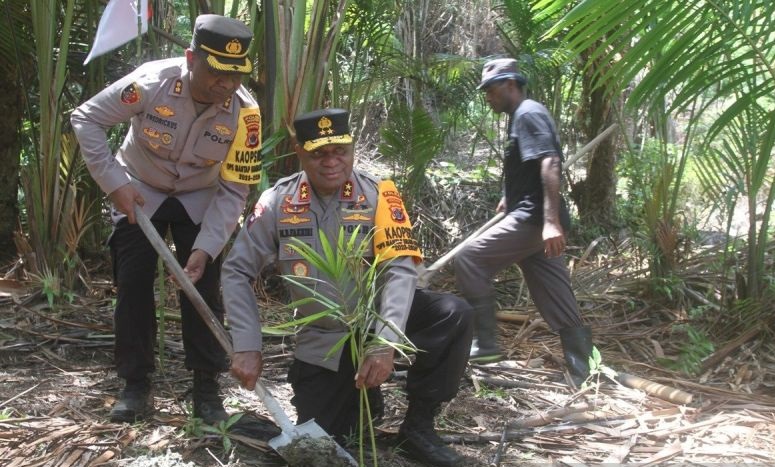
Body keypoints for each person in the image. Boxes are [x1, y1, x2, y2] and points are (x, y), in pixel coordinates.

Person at [223, 108, 473, 467]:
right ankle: (364, 403)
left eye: (340, 150)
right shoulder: (278, 202)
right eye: (318, 153)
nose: (331, 162)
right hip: (326, 339)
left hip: (375, 321)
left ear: (352, 148)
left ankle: (418, 427)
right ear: (299, 151)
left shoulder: (378, 196)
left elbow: (399, 272)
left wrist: (383, 343)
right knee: (328, 439)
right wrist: (246, 345)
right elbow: (236, 271)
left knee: (452, 314)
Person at [71, 14, 263, 424]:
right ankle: (135, 382)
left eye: (235, 75)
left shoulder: (246, 112)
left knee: (204, 286)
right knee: (134, 283)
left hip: (202, 196)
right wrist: (114, 184)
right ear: (191, 57)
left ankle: (206, 387)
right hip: (140, 189)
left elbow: (234, 190)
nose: (226, 85)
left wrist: (207, 247)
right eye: (216, 73)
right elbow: (86, 118)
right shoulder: (150, 82)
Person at [454, 58, 593, 383]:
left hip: (534, 219)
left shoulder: (528, 113)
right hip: (531, 215)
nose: (487, 96)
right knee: (555, 293)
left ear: (510, 85)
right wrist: (508, 194)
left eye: (491, 89)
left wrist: (550, 222)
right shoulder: (520, 116)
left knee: (469, 260)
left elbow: (549, 162)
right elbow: (526, 164)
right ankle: (583, 369)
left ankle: (486, 343)